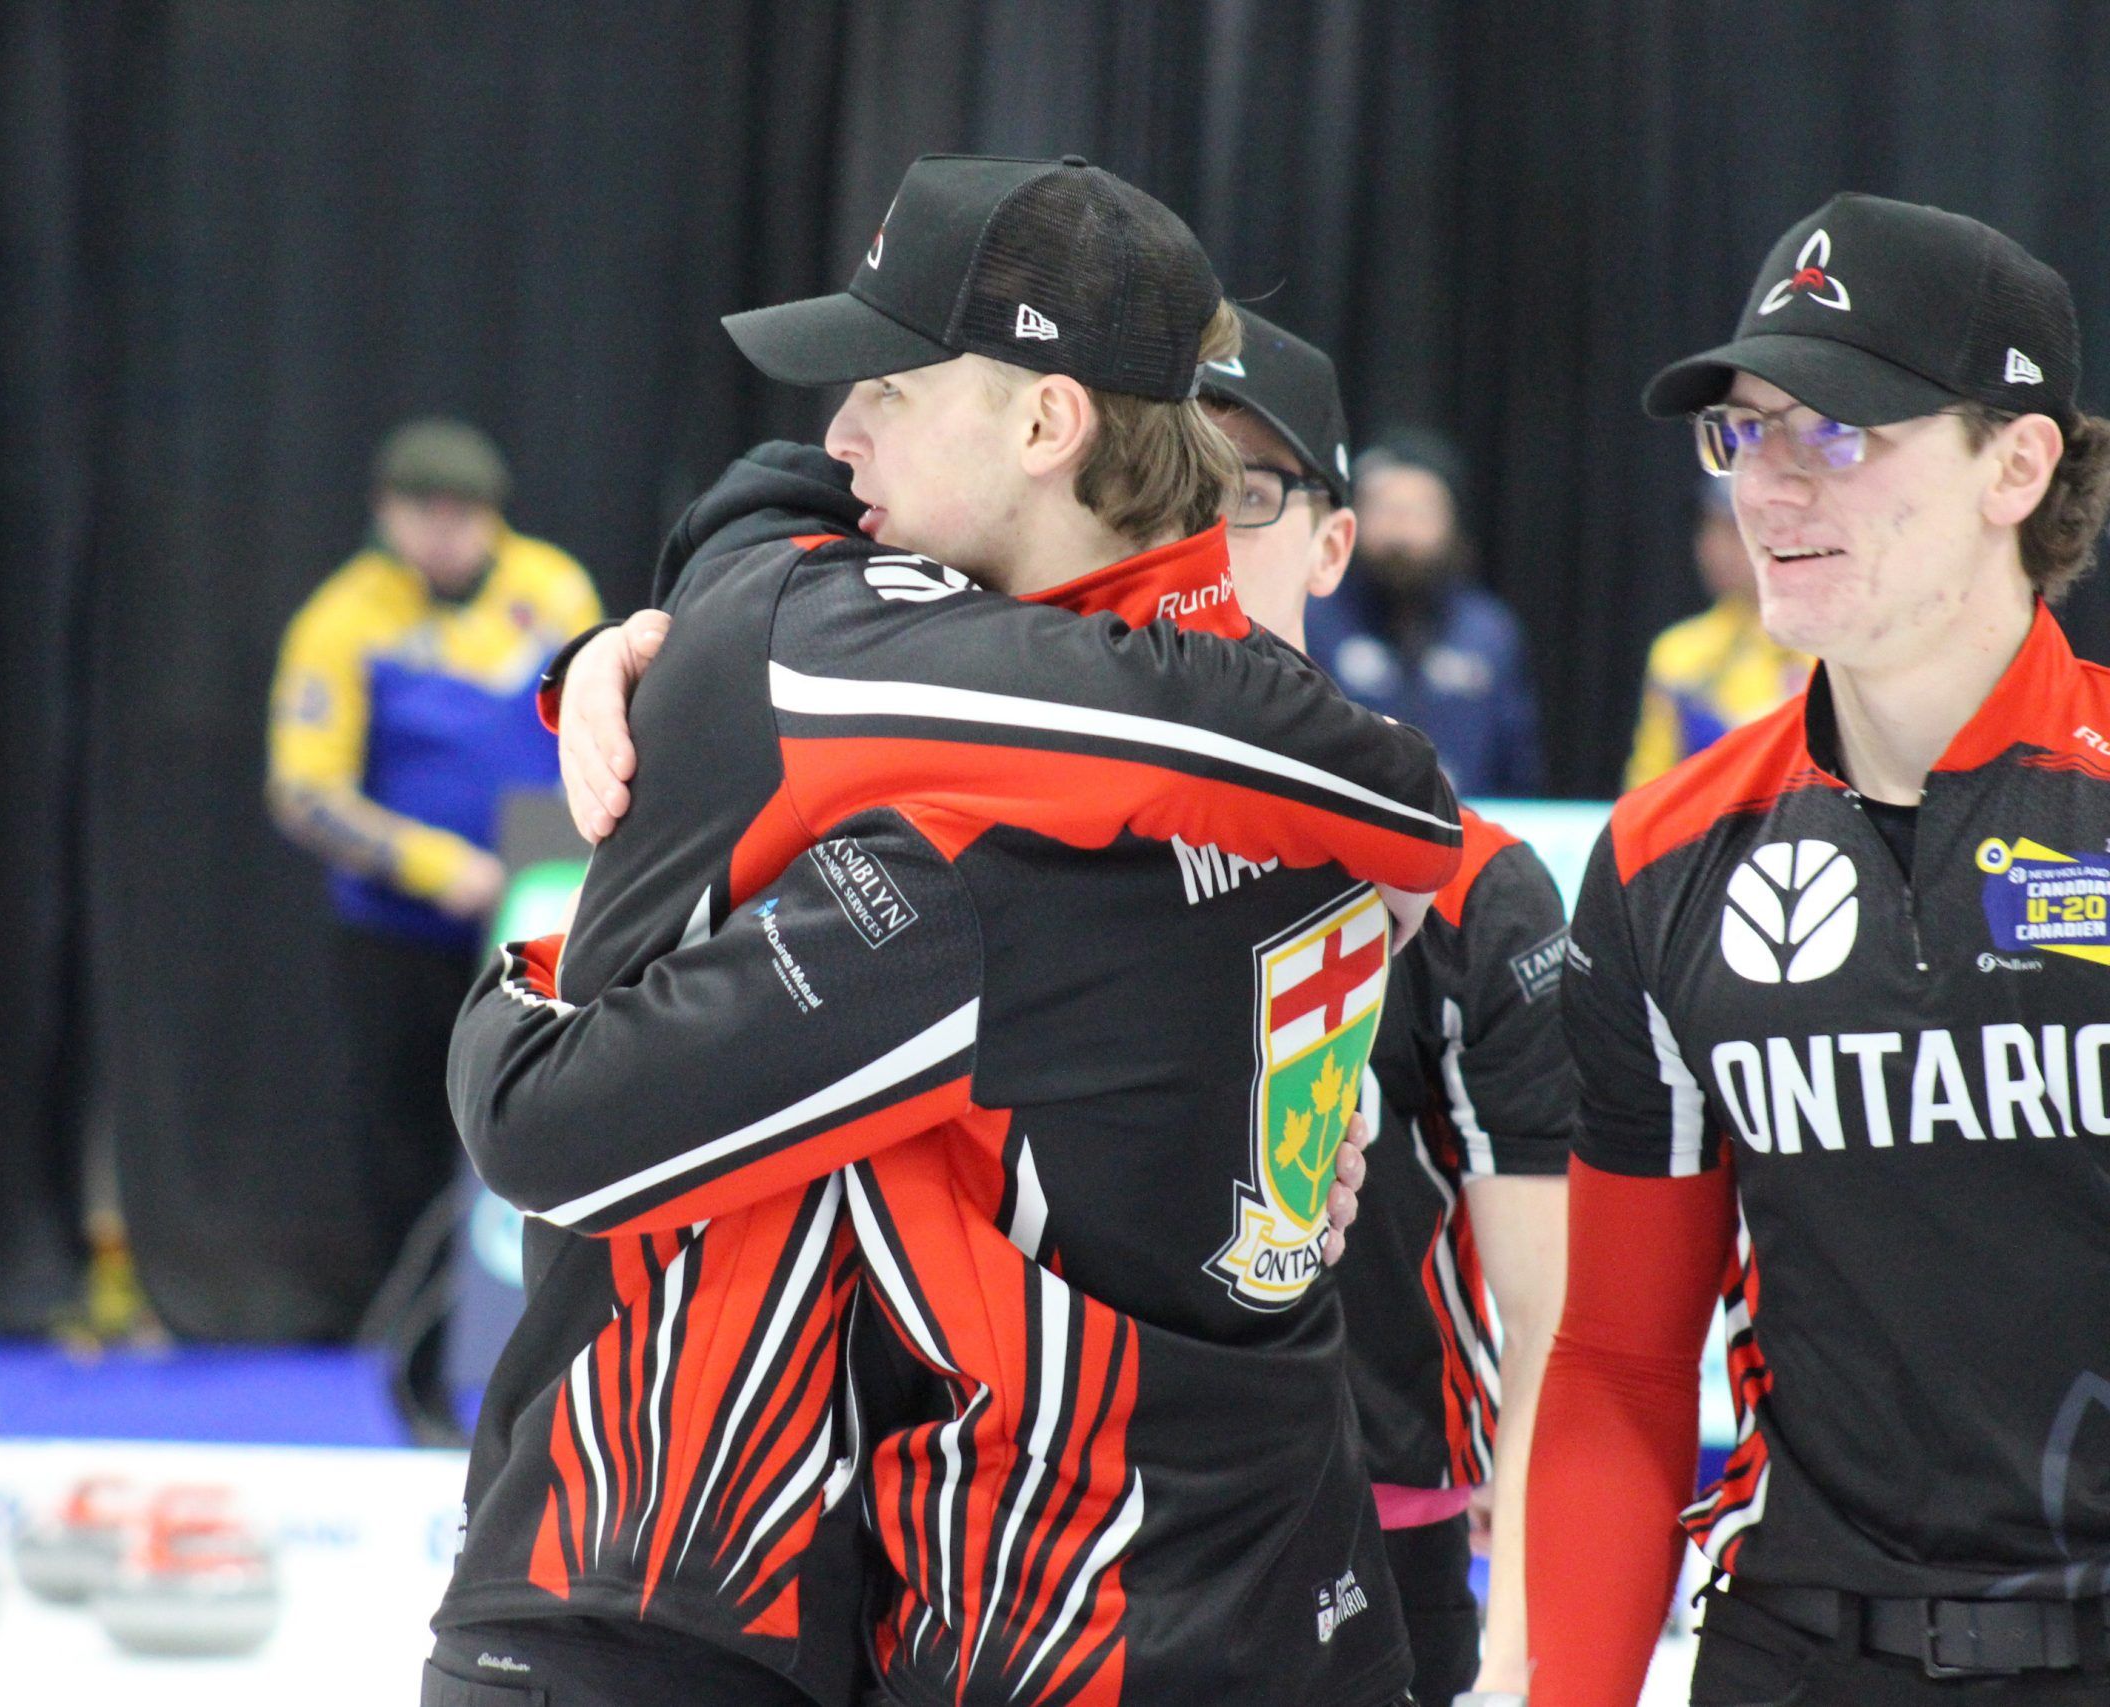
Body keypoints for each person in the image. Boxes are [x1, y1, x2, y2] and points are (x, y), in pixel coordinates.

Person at [431, 155, 1457, 1707]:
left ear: (1049, 424)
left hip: (927, 1608)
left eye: (889, 389)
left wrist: (526, 983)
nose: (839, 432)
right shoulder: (1290, 775)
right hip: (1302, 1589)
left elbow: (552, 1125)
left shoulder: (999, 817)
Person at [1528, 193, 2110, 1705]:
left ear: (2018, 462)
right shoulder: (1664, 859)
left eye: (1840, 427)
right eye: (1744, 431)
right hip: (1798, 1646)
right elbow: (1623, 1359)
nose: (1770, 485)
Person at [1203, 308, 1572, 1707]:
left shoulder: (1470, 889)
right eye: (1167, 484)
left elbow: (1555, 1328)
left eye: (1244, 495)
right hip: (1049, 1543)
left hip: (1373, 1544)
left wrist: (1534, 1653)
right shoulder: (1021, 829)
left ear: (1330, 542)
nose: (1199, 531)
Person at [267, 417, 601, 1445]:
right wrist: (429, 864)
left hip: (538, 908)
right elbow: (303, 789)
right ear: (387, 514)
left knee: (545, 1132)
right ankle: (418, 1374)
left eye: (464, 516)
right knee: (411, 1149)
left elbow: (599, 712)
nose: (446, 536)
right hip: (402, 931)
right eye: (426, 515)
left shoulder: (551, 590)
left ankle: (545, 1362)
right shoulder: (344, 619)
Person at [1309, 430, 1547, 796]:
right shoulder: (1315, 621)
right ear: (1351, 522)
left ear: (1451, 522)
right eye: (1385, 509)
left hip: (1472, 837)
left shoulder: (1489, 632)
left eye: (1419, 511)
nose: (1401, 531)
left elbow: (1517, 767)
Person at [1624, 482, 1811, 789]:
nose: (1713, 548)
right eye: (1708, 530)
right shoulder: (1679, 650)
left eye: (1733, 532)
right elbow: (1648, 782)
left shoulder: (1825, 649)